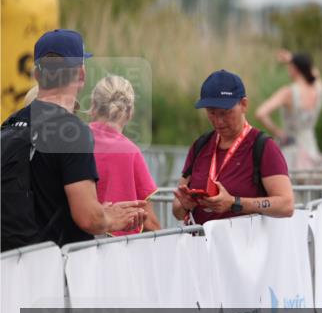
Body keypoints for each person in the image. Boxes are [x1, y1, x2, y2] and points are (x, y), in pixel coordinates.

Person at [1, 30, 144, 250]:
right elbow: (88, 218)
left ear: (37, 76)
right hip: (55, 266)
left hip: (13, 264)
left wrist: (98, 211)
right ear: (81, 74)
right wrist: (110, 219)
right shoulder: (72, 131)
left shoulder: (11, 123)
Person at [172, 70, 294, 224]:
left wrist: (234, 203)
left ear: (244, 105)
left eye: (225, 113)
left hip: (245, 245)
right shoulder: (200, 146)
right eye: (211, 113)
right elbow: (176, 210)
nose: (218, 121)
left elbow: (286, 205)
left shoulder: (264, 147)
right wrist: (184, 205)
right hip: (201, 245)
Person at [88, 74, 161, 234]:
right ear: (129, 113)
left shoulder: (73, 140)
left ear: (93, 107)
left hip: (73, 243)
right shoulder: (130, 152)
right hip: (116, 247)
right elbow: (149, 221)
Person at [255, 49, 322, 174]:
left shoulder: (288, 92)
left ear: (294, 69)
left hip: (291, 150)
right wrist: (294, 59)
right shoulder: (318, 89)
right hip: (311, 148)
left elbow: (260, 113)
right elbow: (315, 73)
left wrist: (279, 133)